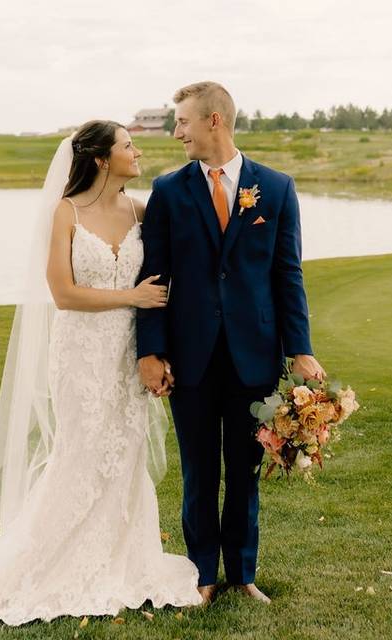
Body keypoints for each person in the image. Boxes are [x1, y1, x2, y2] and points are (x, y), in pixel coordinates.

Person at [0, 120, 203, 626]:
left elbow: (179, 256)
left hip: (125, 353)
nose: (137, 151)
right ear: (100, 158)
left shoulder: (140, 210)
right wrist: (131, 297)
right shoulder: (66, 212)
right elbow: (63, 294)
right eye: (127, 145)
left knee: (124, 450)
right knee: (82, 449)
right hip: (80, 353)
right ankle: (49, 562)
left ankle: (121, 559)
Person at [136, 81, 325, 606]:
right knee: (199, 471)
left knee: (243, 472)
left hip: (254, 355)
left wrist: (299, 346)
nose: (176, 133)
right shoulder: (169, 191)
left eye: (182, 122)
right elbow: (154, 278)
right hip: (189, 357)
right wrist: (149, 352)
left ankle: (242, 573)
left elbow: (288, 275)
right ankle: (200, 574)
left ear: (214, 121)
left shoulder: (278, 188)